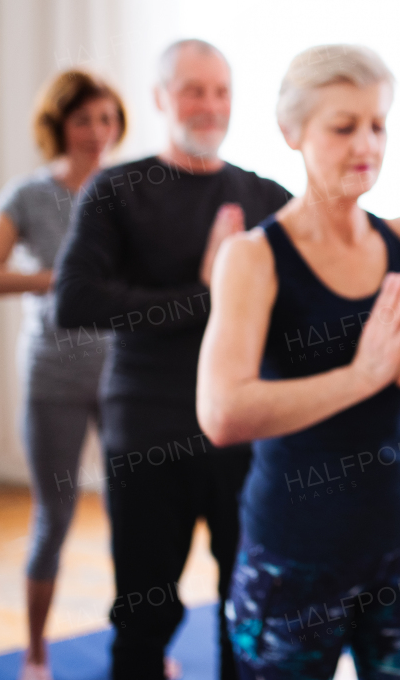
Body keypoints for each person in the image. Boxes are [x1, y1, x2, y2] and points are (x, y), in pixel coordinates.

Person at [195, 44, 400, 679]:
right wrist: (360, 378)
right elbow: (223, 412)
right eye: (343, 126)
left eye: (378, 124)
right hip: (294, 554)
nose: (367, 144)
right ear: (292, 132)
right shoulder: (253, 258)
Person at [54, 40, 292, 680]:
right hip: (148, 430)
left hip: (243, 430)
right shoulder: (116, 188)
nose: (210, 105)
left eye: (221, 91)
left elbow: (310, 294)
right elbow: (73, 300)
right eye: (193, 90)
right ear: (161, 98)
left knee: (248, 610)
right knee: (144, 612)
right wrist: (209, 292)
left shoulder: (263, 195)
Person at [0, 69, 126, 680]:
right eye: (84, 119)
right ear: (59, 125)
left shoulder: (129, 189)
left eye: (107, 119)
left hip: (123, 378)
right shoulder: (28, 194)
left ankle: (139, 644)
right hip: (53, 374)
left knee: (135, 515)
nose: (96, 132)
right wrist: (56, 280)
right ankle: (35, 655)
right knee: (53, 516)